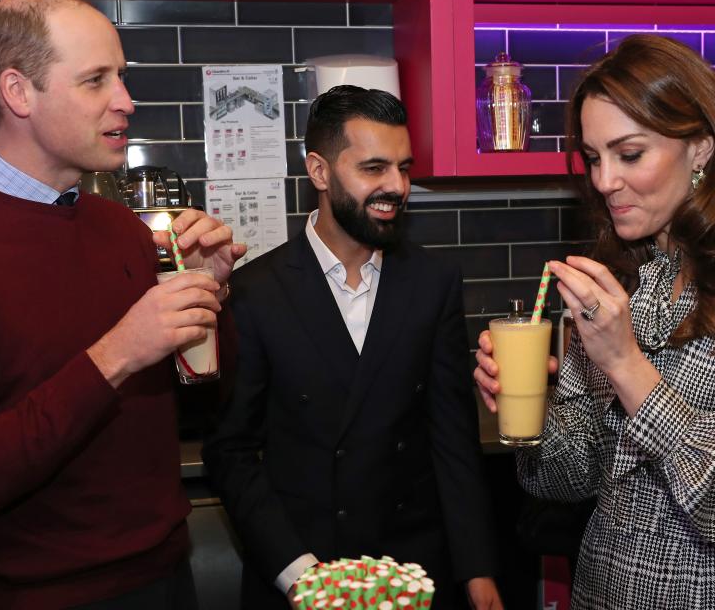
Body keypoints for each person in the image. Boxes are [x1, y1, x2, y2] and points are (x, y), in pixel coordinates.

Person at [473, 34, 715, 609]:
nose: (603, 180)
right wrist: (533, 406)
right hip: (599, 590)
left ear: (700, 148)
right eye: (594, 157)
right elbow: (565, 480)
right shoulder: (624, 280)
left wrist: (626, 366)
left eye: (630, 154)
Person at [0, 0, 246, 609]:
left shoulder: (124, 230)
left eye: (122, 77)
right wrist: (117, 354)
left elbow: (207, 399)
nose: (126, 101)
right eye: (95, 80)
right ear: (17, 92)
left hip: (166, 575)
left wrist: (211, 297)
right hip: (35, 597)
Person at [202, 85, 501, 610]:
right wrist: (301, 576)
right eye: (374, 168)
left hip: (414, 574)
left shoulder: (434, 282)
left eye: (403, 168)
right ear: (319, 172)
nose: (397, 186)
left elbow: (452, 440)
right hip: (304, 570)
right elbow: (230, 454)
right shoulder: (254, 293)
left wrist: (477, 571)